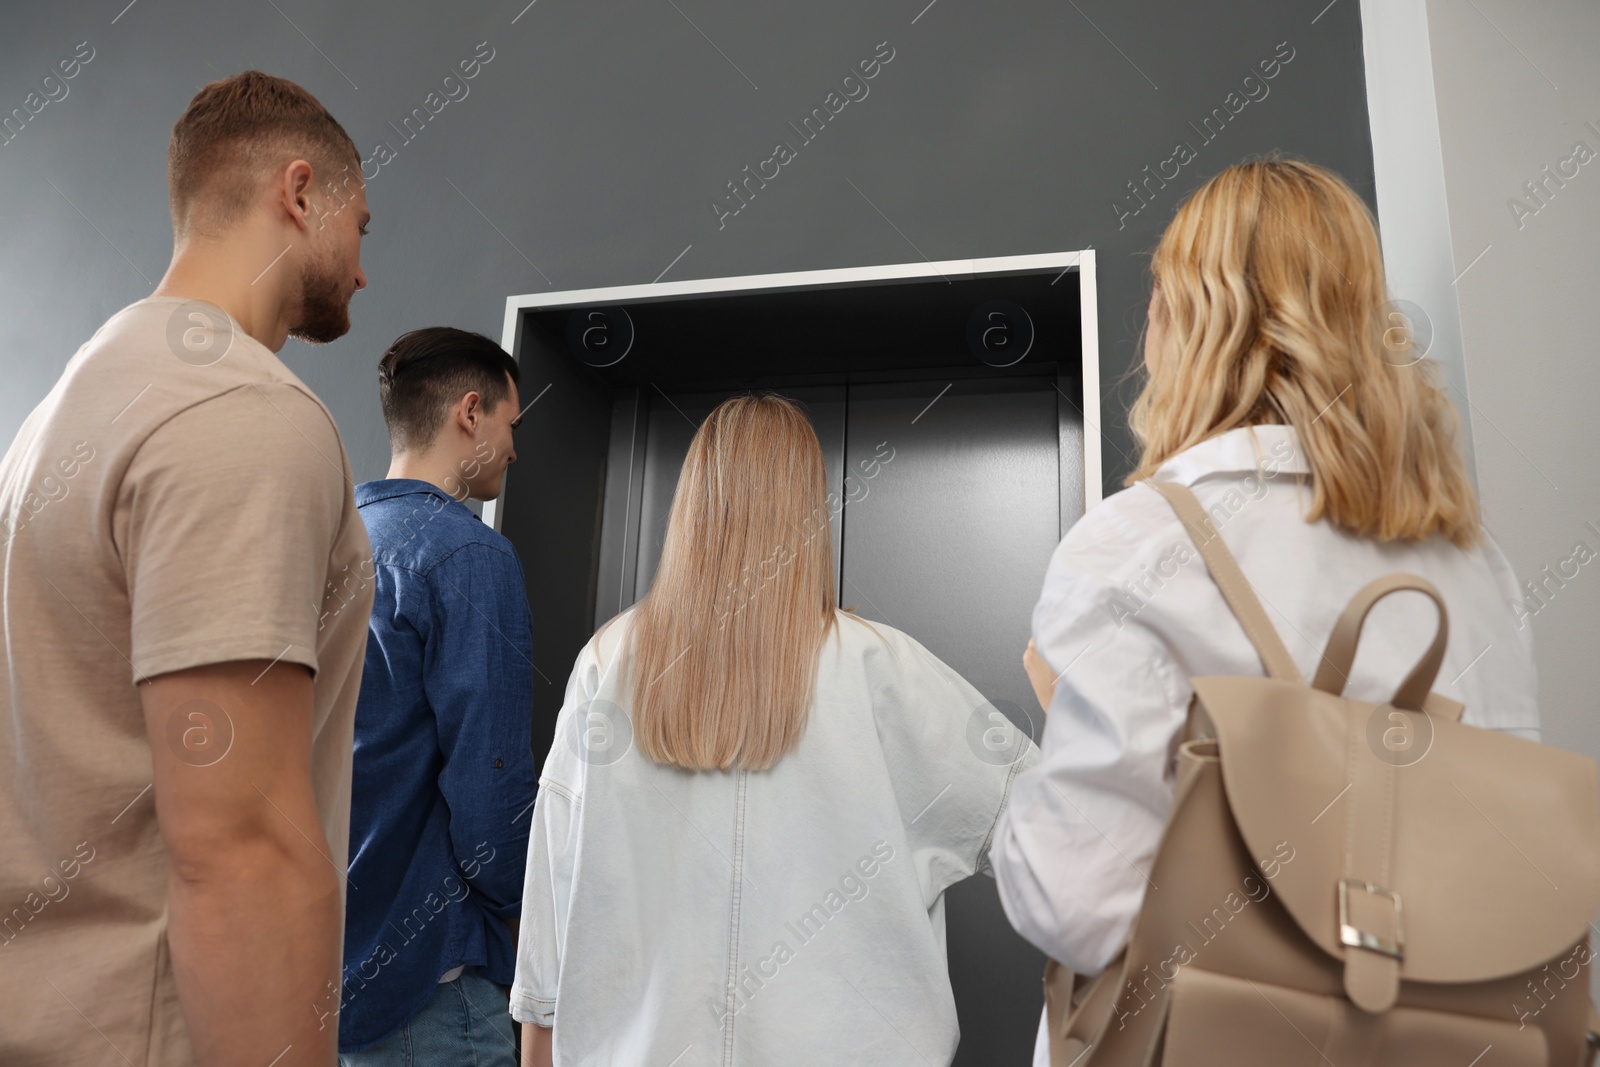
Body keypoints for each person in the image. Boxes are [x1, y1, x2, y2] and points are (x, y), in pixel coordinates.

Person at [989, 158, 1539, 1064]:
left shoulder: (1135, 542)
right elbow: (1500, 872)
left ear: (1189, 324)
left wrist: (1060, 713)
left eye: (1158, 305)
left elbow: (1078, 905)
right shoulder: (1478, 567)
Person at [0, 72, 372, 1066]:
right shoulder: (238, 411)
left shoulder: (60, 413)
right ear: (299, 191)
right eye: (360, 227)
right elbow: (239, 845)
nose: (364, 270)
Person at [511, 393, 1039, 1067]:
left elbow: (550, 912)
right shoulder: (884, 668)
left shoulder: (606, 663)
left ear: (693, 504)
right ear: (807, 511)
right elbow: (1054, 830)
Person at [338, 327, 536, 1066]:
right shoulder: (469, 553)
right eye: (512, 425)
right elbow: (491, 783)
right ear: (471, 412)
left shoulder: (339, 539)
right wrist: (528, 917)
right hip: (435, 987)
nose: (515, 450)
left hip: (330, 974)